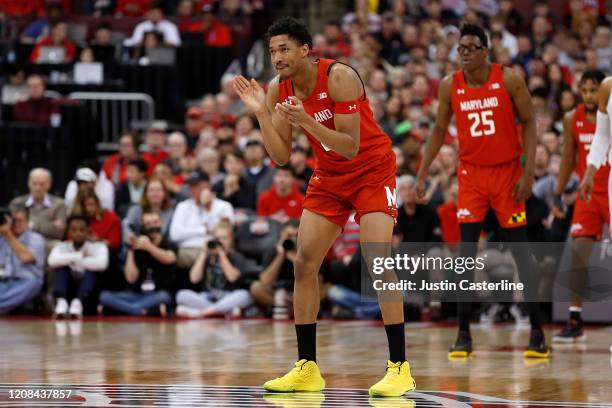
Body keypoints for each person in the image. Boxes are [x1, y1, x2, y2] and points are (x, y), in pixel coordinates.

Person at [233, 17, 415, 396]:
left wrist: (305, 121)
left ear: (305, 49)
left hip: (371, 170)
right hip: (331, 177)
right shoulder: (276, 89)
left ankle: (399, 368)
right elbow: (281, 156)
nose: (277, 57)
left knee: (377, 260)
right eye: (272, 51)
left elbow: (349, 146)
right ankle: (307, 368)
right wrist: (262, 113)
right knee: (303, 263)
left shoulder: (340, 77)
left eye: (284, 49)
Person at [415, 24, 550, 358]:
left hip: (507, 175)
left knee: (520, 251)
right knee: (465, 254)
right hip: (471, 176)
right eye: (460, 48)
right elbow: (437, 129)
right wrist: (421, 172)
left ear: (485, 51)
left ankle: (537, 332)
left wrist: (528, 171)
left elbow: (531, 122)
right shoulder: (450, 85)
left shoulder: (509, 79)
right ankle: (463, 334)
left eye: (471, 47)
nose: (463, 53)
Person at [552, 70, 608, 343]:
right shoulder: (571, 118)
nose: (589, 96)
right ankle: (575, 318)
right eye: (584, 90)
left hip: (609, 190)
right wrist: (559, 193)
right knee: (578, 255)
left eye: (594, 90)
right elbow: (567, 159)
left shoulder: (607, 115)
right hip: (587, 194)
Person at [99, 211, 175, 316]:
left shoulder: (168, 243)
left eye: (155, 222)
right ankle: (139, 311)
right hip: (137, 294)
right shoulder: (138, 247)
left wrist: (149, 247)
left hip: (157, 294)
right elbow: (130, 278)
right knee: (104, 296)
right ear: (143, 227)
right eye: (148, 224)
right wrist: (131, 249)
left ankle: (126, 309)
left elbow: (169, 258)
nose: (152, 227)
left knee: (164, 296)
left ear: (161, 223)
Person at [175, 222, 254, 318]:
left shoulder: (237, 257)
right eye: (218, 238)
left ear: (231, 239)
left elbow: (232, 277)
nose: (221, 242)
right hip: (207, 297)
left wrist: (222, 255)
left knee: (245, 295)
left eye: (224, 238)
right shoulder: (207, 257)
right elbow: (194, 279)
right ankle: (223, 311)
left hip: (228, 296)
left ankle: (199, 313)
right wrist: (203, 253)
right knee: (181, 295)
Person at [48, 215, 109, 317]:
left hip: (89, 293)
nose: (78, 233)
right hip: (68, 289)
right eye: (74, 230)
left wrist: (70, 260)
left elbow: (102, 264)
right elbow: (52, 261)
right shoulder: (61, 246)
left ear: (88, 231)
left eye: (82, 230)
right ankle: (61, 302)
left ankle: (78, 302)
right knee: (60, 268)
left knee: (92, 270)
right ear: (68, 231)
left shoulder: (98, 246)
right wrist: (79, 256)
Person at [169, 172, 234, 268]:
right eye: (190, 186)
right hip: (186, 250)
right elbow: (175, 235)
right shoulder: (183, 206)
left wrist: (208, 208)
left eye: (196, 185)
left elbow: (221, 232)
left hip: (214, 250)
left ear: (208, 186)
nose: (192, 189)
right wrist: (204, 230)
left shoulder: (224, 206)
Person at [0, 207, 45, 314]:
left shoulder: (36, 238)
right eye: (13, 221)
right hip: (3, 281)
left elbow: (26, 257)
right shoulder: (2, 236)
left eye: (20, 221)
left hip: (25, 281)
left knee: (33, 284)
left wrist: (8, 234)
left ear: (28, 222)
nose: (16, 224)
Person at [10, 167, 66, 243]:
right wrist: (50, 225)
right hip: (22, 243)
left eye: (42, 184)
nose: (38, 188)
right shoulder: (17, 203)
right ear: (28, 183)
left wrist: (30, 224)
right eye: (34, 183)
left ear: (49, 185)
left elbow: (59, 232)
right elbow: (13, 228)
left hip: (47, 244)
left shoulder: (59, 204)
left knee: (57, 244)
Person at [122, 177, 175, 245]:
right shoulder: (135, 210)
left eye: (159, 190)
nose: (155, 193)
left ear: (164, 193)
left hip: (163, 247)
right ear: (145, 193)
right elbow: (126, 227)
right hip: (137, 246)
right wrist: (134, 239)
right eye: (151, 190)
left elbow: (172, 236)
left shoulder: (171, 213)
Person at [72, 187, 122, 253]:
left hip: (105, 254)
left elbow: (114, 244)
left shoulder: (111, 217)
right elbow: (69, 240)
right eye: (84, 206)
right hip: (78, 253)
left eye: (91, 204)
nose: (88, 209)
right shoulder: (76, 219)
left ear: (97, 202)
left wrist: (98, 241)